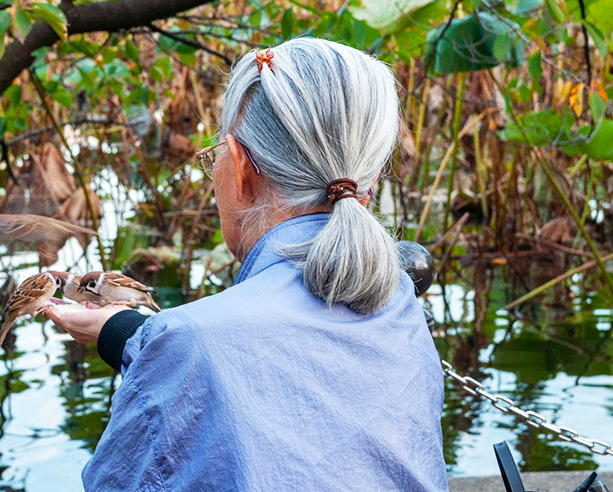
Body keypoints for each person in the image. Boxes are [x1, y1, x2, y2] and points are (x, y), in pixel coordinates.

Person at [45, 37, 447, 491]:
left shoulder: (190, 344)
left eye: (212, 156)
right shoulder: (400, 307)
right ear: (367, 182)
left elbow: (211, 361)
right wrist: (127, 330)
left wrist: (157, 344)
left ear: (239, 168)